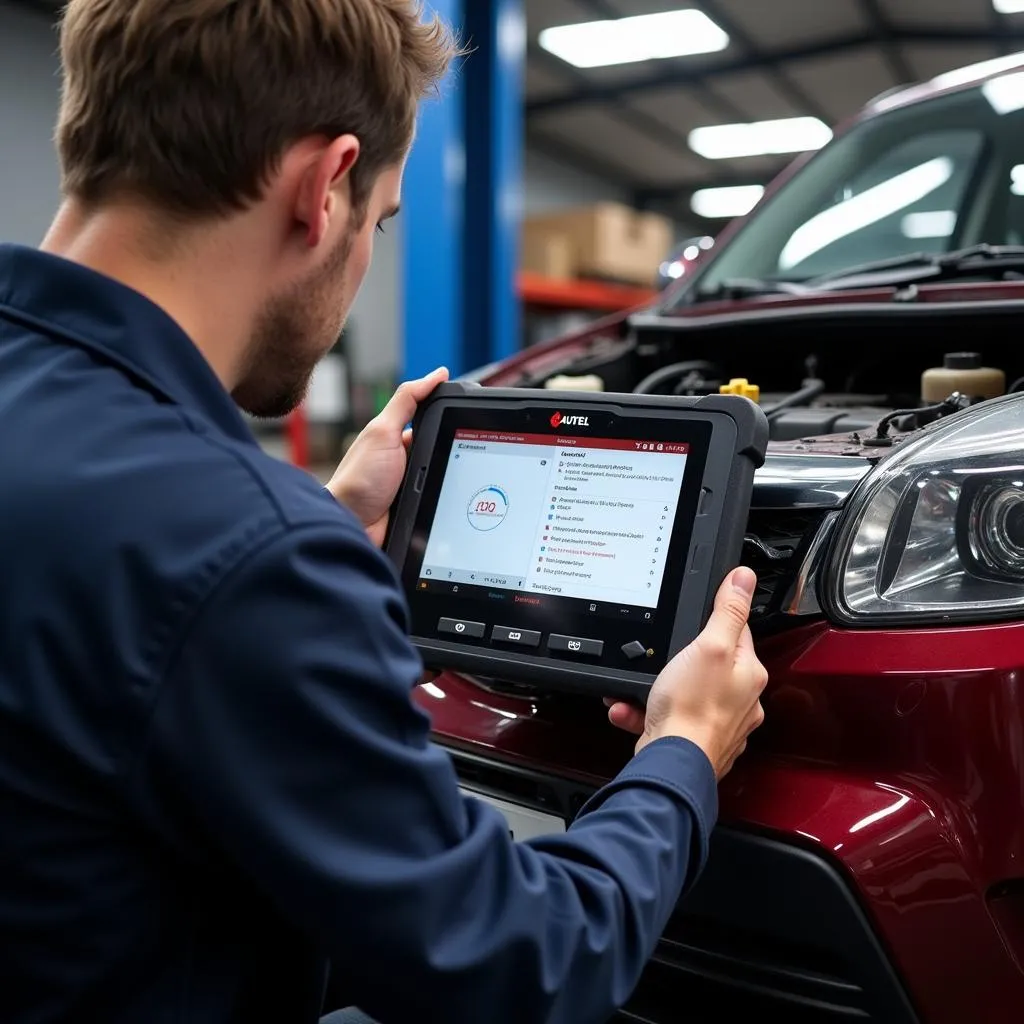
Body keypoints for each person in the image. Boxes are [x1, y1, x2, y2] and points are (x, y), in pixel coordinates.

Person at [0, 2, 768, 1023]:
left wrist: (304, 524)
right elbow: (521, 965)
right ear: (325, 187)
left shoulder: (192, 522)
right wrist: (682, 750)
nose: (366, 252)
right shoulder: (248, 555)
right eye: (383, 217)